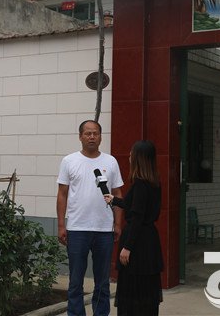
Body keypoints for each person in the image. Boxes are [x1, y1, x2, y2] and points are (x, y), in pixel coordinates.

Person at [57, 120, 124, 316]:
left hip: (104, 229)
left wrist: (118, 223)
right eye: (88, 133)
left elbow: (118, 193)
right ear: (80, 136)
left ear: (101, 137)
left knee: (102, 282)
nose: (92, 137)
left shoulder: (110, 162)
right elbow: (62, 194)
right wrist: (61, 225)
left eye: (95, 133)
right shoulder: (69, 161)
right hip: (77, 229)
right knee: (76, 281)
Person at [104, 140, 163, 316]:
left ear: (139, 158)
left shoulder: (140, 184)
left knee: (133, 287)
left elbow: (137, 217)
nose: (129, 156)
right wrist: (114, 200)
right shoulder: (153, 182)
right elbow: (136, 206)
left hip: (137, 242)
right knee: (146, 288)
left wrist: (127, 247)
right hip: (149, 240)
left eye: (132, 153)